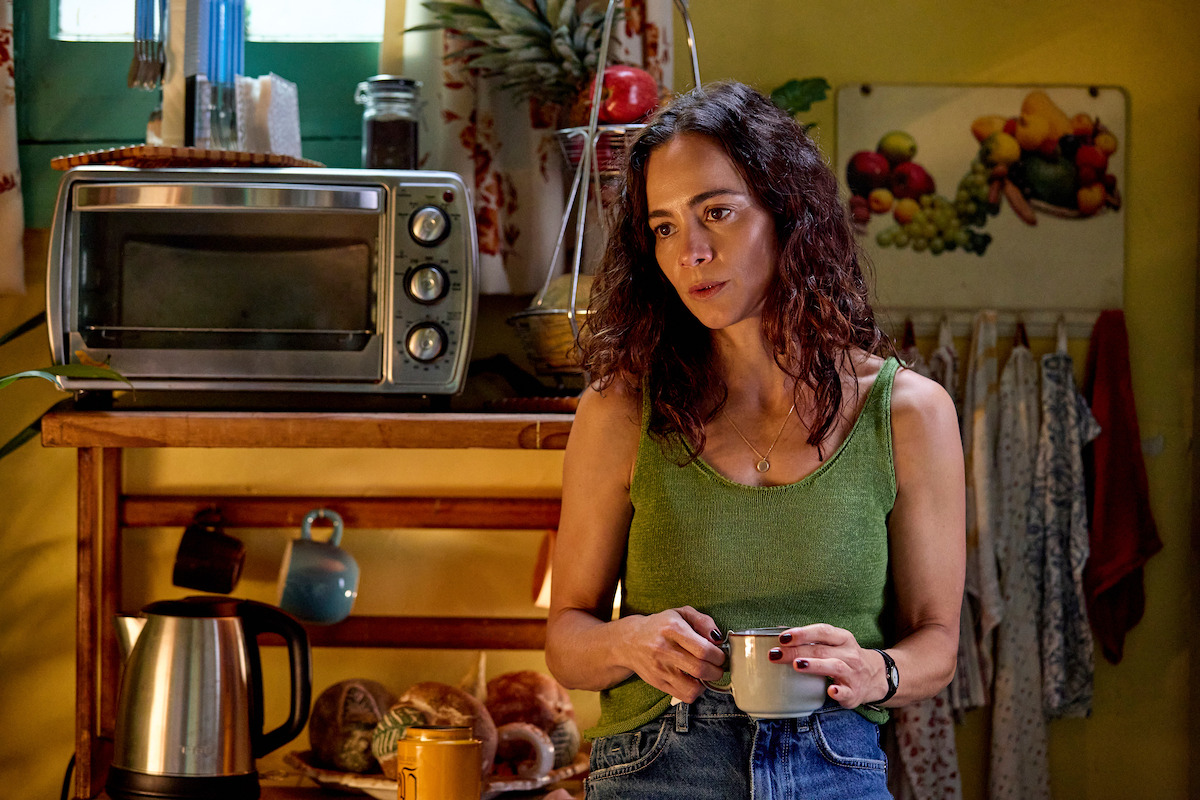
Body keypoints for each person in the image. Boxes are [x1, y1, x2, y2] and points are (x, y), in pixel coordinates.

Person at [544, 81, 966, 800]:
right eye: (665, 226)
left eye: (717, 212)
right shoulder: (619, 410)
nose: (691, 252)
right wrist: (628, 641)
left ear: (787, 213)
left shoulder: (909, 413)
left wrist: (876, 671)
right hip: (655, 767)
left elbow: (937, 642)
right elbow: (568, 639)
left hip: (835, 761)